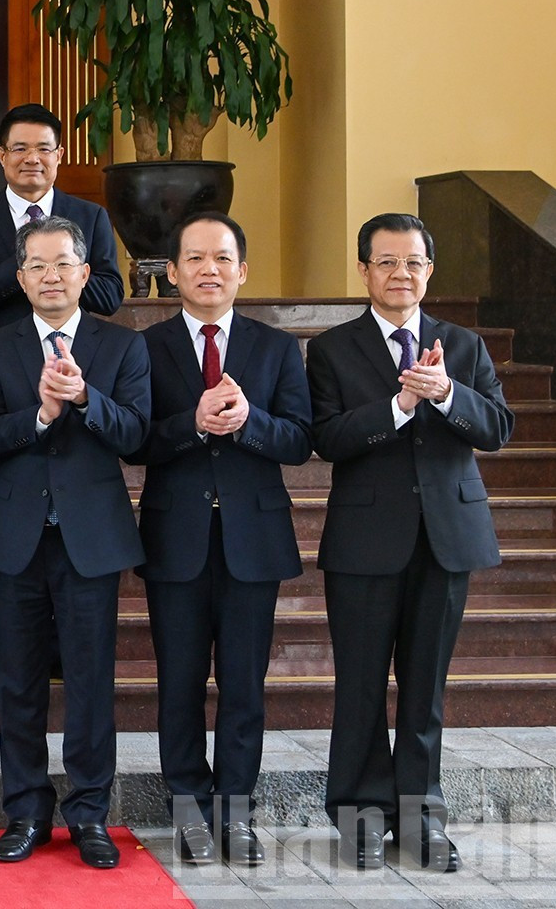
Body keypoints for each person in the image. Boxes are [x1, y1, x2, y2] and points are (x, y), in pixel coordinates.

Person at [308, 213, 513, 873]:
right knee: (362, 686)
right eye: (387, 262)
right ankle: (361, 817)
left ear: (430, 271)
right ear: (364, 270)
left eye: (414, 263)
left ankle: (422, 819)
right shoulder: (333, 349)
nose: (402, 274)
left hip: (447, 538)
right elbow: (327, 438)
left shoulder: (464, 345)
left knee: (425, 691)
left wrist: (448, 392)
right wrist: (398, 406)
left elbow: (497, 428)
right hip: (366, 540)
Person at [128, 213, 311, 868]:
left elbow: (299, 439)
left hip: (252, 542)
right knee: (178, 685)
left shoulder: (276, 348)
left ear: (243, 271)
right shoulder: (145, 349)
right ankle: (189, 814)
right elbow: (134, 438)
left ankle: (235, 813)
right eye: (195, 258)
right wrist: (193, 425)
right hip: (175, 538)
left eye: (223, 258)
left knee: (243, 686)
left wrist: (248, 422)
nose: (210, 269)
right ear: (172, 271)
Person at [0, 215, 148, 870]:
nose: (50, 276)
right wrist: (41, 416)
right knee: (16, 684)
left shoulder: (122, 346)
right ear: (20, 278)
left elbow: (136, 434)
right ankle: (26, 810)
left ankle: (89, 814)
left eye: (62, 264)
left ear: (85, 273)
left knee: (90, 683)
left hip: (91, 541)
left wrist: (84, 400)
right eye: (37, 266)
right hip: (16, 538)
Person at [0, 103, 123, 689]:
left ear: (59, 154)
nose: (32, 159)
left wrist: (58, 271)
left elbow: (113, 294)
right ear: (0, 157)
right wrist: (21, 262)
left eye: (44, 148)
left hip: (81, 367)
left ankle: (61, 643)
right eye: (19, 149)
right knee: (0, 510)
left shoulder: (89, 215)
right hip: (5, 374)